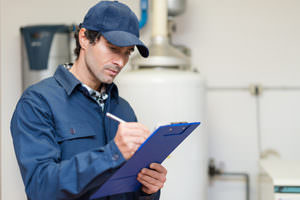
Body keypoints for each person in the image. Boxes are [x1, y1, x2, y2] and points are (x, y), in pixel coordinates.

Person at [10, 1, 167, 200]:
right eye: (113, 48)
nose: (120, 62)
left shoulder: (123, 109)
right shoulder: (38, 102)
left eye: (127, 53)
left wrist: (148, 190)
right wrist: (113, 153)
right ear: (84, 38)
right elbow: (41, 189)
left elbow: (128, 190)